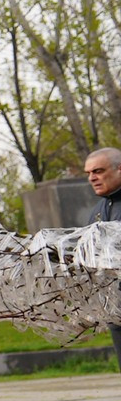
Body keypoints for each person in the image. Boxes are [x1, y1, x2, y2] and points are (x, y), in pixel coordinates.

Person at [87, 149, 120, 359]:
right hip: (116, 310)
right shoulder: (97, 212)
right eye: (89, 173)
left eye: (98, 171)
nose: (92, 178)